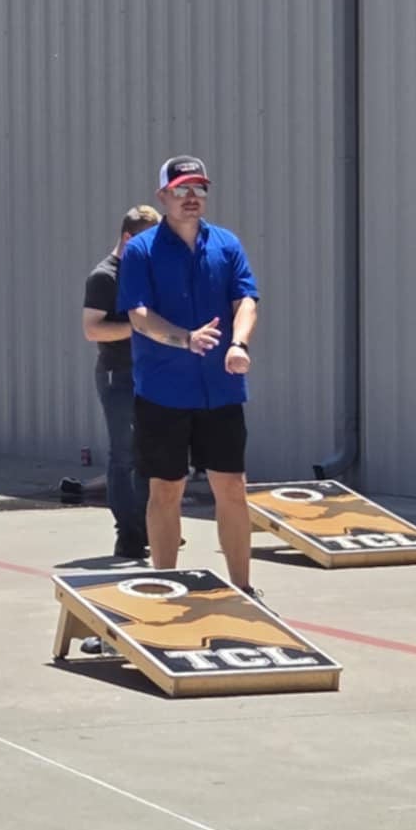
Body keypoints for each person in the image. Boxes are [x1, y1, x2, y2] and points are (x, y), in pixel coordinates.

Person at [119, 156, 262, 596]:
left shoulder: (226, 244)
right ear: (163, 196)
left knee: (232, 487)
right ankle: (166, 585)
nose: (191, 197)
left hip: (221, 390)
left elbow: (246, 299)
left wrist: (238, 344)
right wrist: (186, 339)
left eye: (199, 188)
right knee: (166, 489)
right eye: (181, 189)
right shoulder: (142, 250)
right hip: (163, 392)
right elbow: (139, 315)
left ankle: (243, 588)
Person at [84, 205, 163, 559]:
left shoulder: (148, 272)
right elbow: (92, 329)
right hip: (118, 374)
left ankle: (152, 526)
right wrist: (140, 327)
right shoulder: (104, 277)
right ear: (128, 238)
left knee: (152, 452)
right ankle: (128, 535)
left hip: (152, 373)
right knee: (123, 455)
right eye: (147, 241)